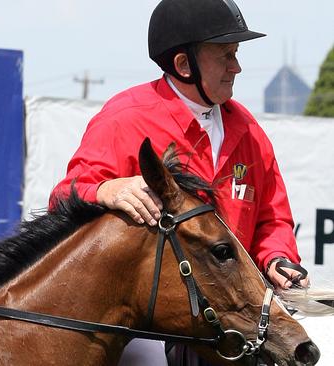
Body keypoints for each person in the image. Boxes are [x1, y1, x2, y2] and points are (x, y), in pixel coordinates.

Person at [50, 0, 309, 364]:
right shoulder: (126, 118)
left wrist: (278, 258)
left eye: (235, 54)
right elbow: (62, 198)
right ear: (183, 65)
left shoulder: (248, 130)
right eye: (226, 56)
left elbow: (272, 219)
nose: (237, 67)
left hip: (232, 313)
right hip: (152, 324)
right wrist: (106, 190)